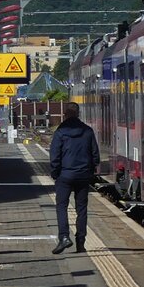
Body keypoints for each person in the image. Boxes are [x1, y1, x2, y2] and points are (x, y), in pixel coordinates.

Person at [49, 102, 100, 254]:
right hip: (83, 176)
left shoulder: (60, 132)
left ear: (65, 114)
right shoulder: (88, 131)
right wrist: (90, 171)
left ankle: (64, 237)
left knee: (61, 206)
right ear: (78, 114)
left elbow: (54, 156)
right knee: (82, 209)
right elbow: (95, 156)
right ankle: (80, 243)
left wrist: (55, 172)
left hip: (65, 175)